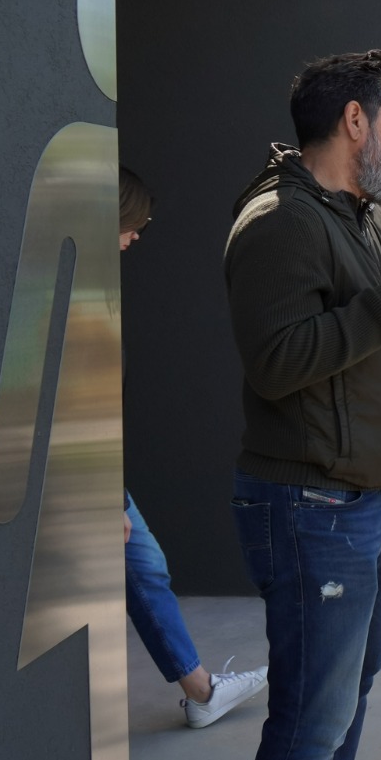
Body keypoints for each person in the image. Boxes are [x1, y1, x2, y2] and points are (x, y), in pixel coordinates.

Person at [223, 50, 381, 760]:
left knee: (344, 709)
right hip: (312, 508)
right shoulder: (280, 221)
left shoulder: (366, 213)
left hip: (363, 506)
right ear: (354, 121)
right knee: (311, 721)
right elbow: (279, 361)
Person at [117, 168, 269, 729]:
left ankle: (201, 690)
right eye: (136, 223)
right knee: (143, 566)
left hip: (98, 473)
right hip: (88, 477)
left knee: (144, 568)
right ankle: (201, 691)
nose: (139, 234)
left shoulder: (95, 280)